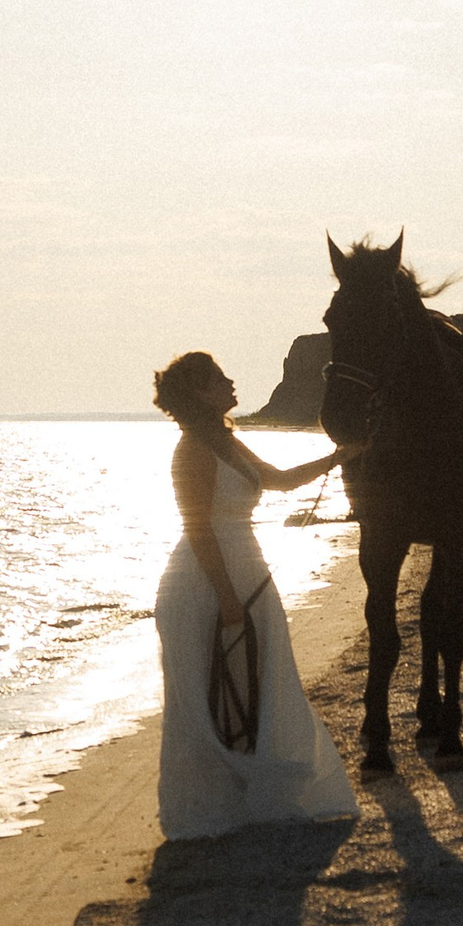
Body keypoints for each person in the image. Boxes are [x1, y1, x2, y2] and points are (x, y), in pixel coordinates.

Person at [152, 350, 358, 840]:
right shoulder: (193, 451)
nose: (231, 381)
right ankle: (212, 805)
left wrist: (339, 456)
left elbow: (282, 482)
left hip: (247, 574)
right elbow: (199, 530)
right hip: (204, 583)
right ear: (200, 392)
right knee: (213, 690)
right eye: (220, 377)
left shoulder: (227, 444)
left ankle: (248, 795)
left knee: (258, 681)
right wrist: (226, 598)